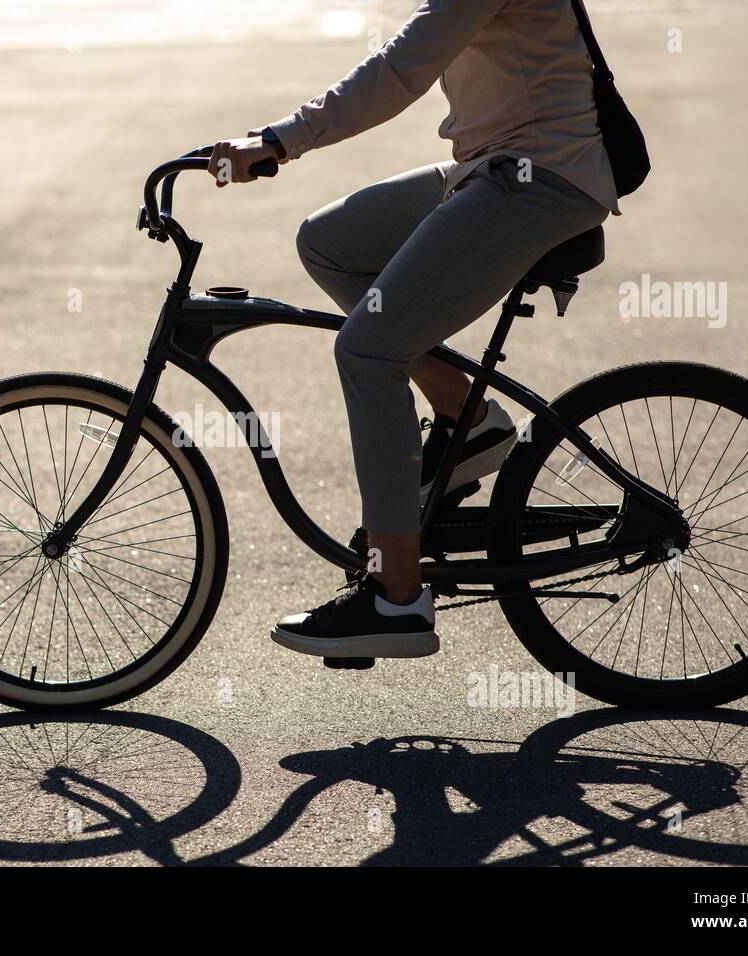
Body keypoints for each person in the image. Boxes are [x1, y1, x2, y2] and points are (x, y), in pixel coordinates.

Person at [206, 0, 618, 660]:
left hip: (540, 178)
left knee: (369, 350)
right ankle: (468, 417)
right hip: (489, 166)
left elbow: (399, 71)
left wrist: (277, 140)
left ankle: (395, 597)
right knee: (329, 242)